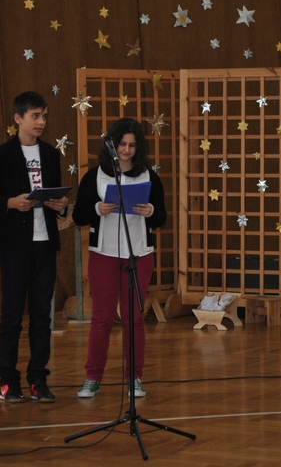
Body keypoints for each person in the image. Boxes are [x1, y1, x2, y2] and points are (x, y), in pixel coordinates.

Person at [0, 91, 69, 403]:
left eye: (44, 116)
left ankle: (38, 379)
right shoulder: (1, 154)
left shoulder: (50, 154)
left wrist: (61, 205)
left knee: (42, 316)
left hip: (45, 245)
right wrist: (11, 202)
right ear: (18, 118)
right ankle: (8, 380)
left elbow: (56, 197)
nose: (41, 121)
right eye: (35, 116)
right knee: (12, 315)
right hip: (14, 247)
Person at [72, 117, 166, 398]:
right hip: (104, 254)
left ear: (139, 147)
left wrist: (151, 212)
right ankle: (92, 378)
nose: (126, 150)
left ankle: (134, 378)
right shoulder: (95, 176)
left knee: (134, 319)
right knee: (102, 318)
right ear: (112, 145)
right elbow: (78, 216)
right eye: (122, 144)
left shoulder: (149, 176)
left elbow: (162, 217)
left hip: (138, 254)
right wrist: (97, 209)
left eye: (132, 145)